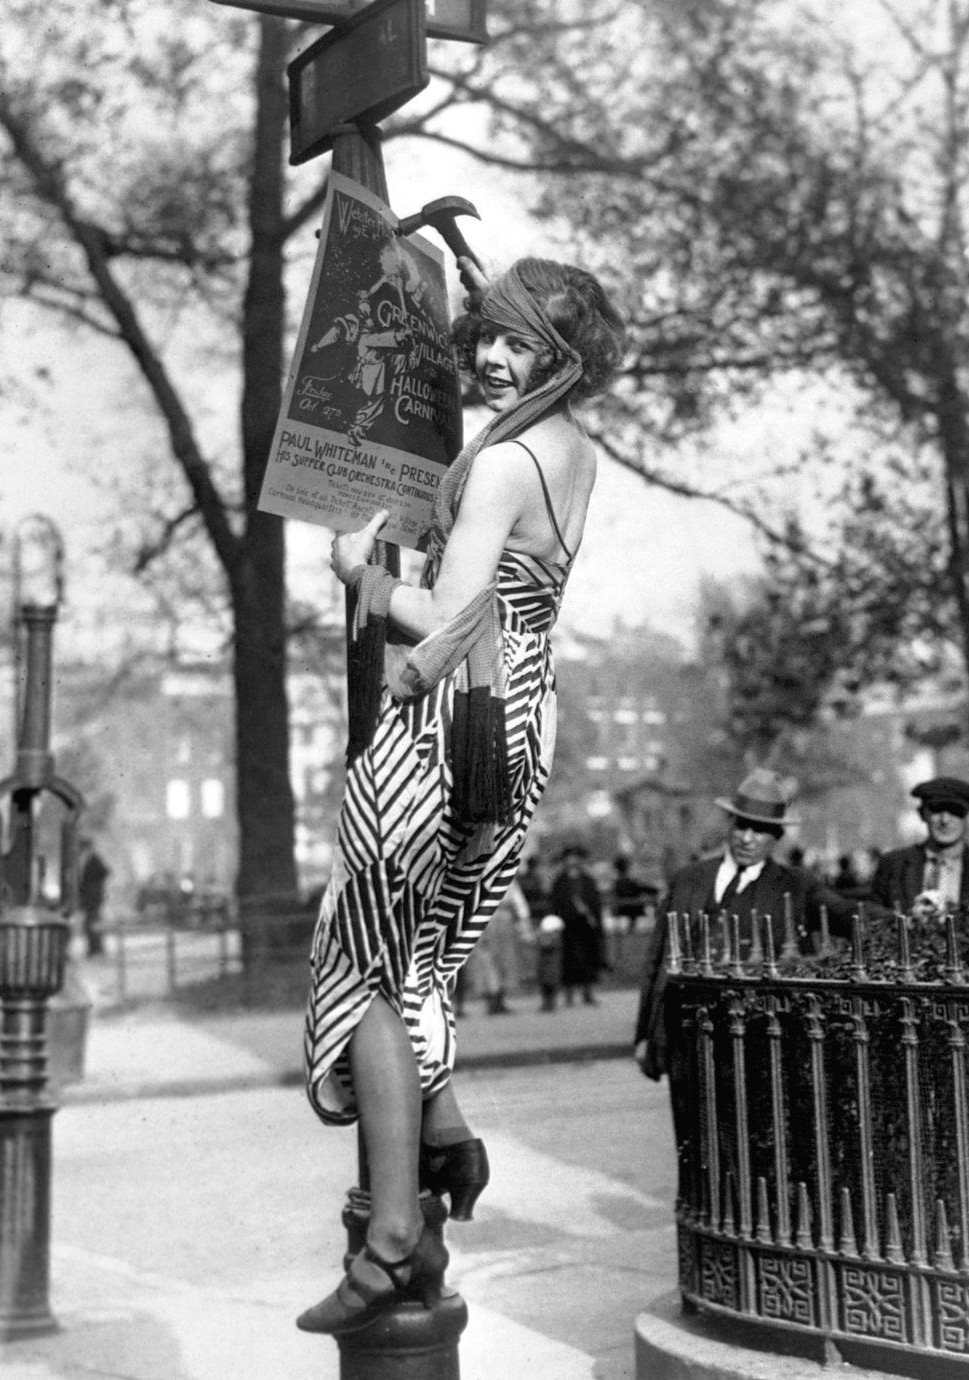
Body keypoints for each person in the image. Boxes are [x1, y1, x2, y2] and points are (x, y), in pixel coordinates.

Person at [297, 255, 628, 1335]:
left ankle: (393, 1235)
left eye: (518, 343)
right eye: (486, 334)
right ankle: (447, 1133)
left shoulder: (500, 466)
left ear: (563, 357)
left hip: (454, 712)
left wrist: (362, 573)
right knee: (429, 948)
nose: (490, 356)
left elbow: (445, 612)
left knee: (372, 962)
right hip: (525, 709)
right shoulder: (570, 451)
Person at [634, 768, 862, 1085]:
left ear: (777, 837)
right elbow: (655, 959)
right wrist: (644, 1034)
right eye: (742, 825)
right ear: (730, 824)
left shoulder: (795, 886)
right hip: (688, 1035)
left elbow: (848, 914)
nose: (747, 838)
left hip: (761, 1040)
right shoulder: (689, 879)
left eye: (760, 830)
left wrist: (915, 919)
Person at [869, 776, 969, 918]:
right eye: (937, 810)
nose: (945, 820)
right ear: (922, 814)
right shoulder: (893, 865)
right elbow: (876, 922)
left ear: (966, 817)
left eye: (955, 811)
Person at [548, 844, 606, 1005]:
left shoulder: (588, 880)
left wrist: (594, 920)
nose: (573, 861)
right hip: (567, 925)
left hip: (585, 925)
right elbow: (555, 903)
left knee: (587, 958)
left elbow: (595, 903)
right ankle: (569, 994)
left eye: (576, 857)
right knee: (569, 960)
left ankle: (588, 992)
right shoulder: (560, 881)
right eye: (569, 857)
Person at [464, 877, 532, 1015]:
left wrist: (524, 921)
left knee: (505, 960)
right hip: (482, 918)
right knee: (485, 961)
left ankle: (499, 999)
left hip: (503, 917)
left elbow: (518, 900)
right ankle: (491, 999)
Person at [609, 853, 659, 933]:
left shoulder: (617, 883)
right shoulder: (628, 883)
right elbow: (645, 889)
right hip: (632, 909)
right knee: (653, 895)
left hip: (624, 909)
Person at [78, 838, 110, 958]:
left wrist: (94, 888)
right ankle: (95, 948)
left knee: (92, 924)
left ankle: (95, 949)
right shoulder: (89, 859)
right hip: (91, 899)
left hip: (93, 899)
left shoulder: (93, 859)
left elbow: (104, 872)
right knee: (91, 924)